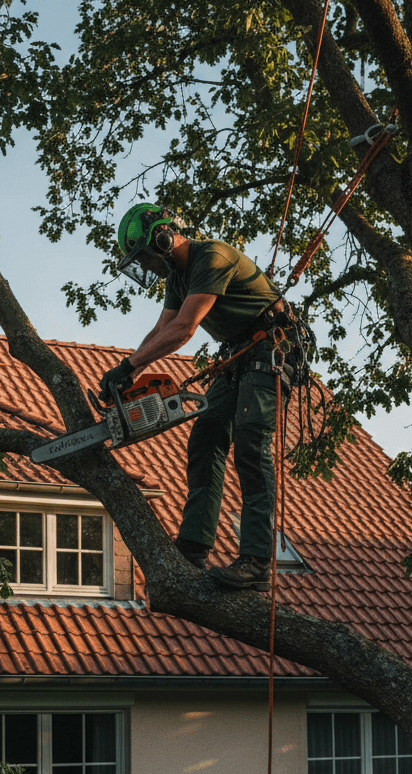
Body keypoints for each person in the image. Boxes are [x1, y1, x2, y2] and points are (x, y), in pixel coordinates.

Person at [99, 202, 292, 591]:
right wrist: (128, 372)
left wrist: (130, 365)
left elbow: (185, 328)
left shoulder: (213, 256)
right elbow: (162, 327)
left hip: (271, 349)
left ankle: (256, 560)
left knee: (251, 447)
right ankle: (193, 547)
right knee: (205, 439)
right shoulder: (177, 277)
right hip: (237, 357)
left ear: (164, 238)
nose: (150, 266)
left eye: (147, 257)